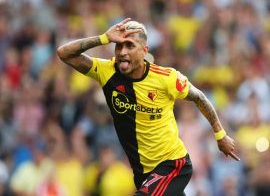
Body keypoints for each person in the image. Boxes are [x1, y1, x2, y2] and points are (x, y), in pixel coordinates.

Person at [57, 18, 240, 195]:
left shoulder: (166, 78)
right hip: (143, 173)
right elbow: (64, 53)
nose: (122, 52)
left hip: (172, 165)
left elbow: (199, 97)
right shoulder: (107, 72)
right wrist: (103, 38)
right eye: (119, 45)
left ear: (144, 51)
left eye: (130, 46)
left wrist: (220, 135)